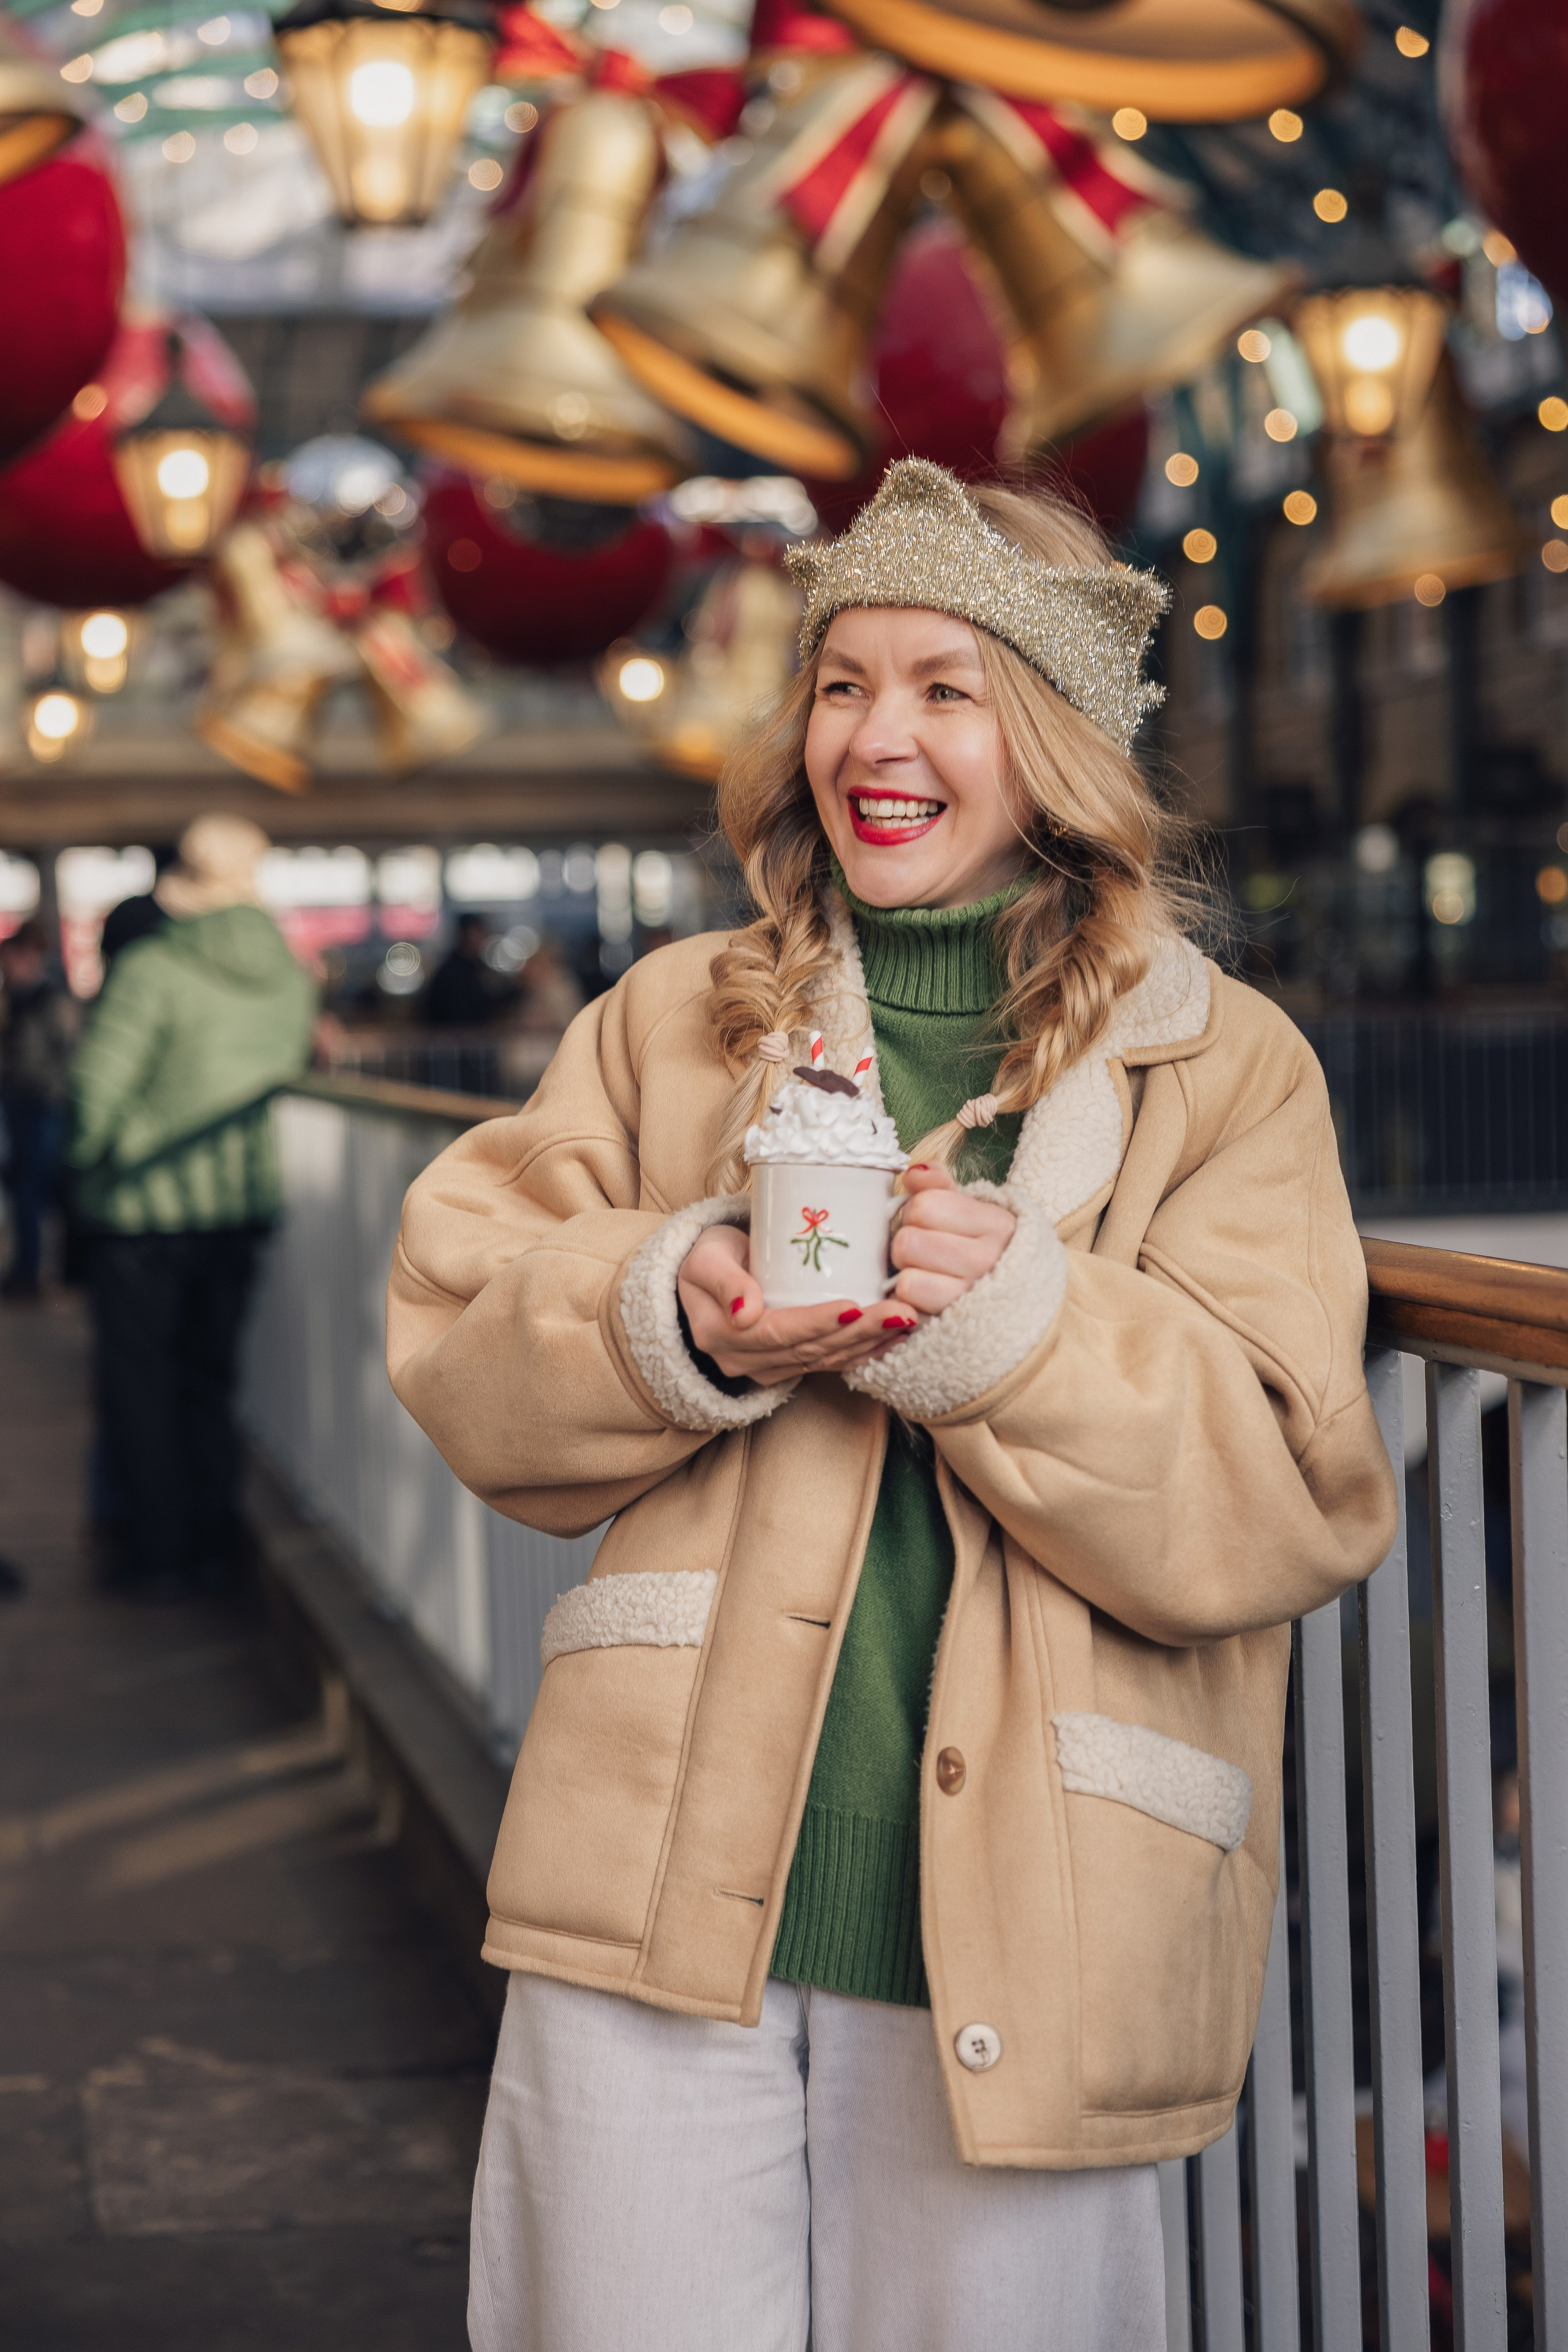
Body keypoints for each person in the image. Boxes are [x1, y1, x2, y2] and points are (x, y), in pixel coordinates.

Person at [386, 462, 1398, 2352]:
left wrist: (1009, 1323)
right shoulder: (673, 1016)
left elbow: (1284, 1491)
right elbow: (456, 1325)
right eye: (842, 684)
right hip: (657, 1882)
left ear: (1056, 740)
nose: (875, 738)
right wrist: (666, 1311)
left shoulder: (1225, 1068)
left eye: (946, 688)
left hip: (1044, 1911)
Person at [70, 813, 315, 1596]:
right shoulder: (290, 977)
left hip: (143, 1208)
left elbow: (93, 1094)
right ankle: (213, 1542)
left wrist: (82, 1168)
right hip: (238, 1203)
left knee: (138, 1384)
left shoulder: (152, 968)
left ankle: (159, 1553)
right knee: (210, 1379)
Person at [0, 918, 79, 1300]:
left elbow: (71, 1053)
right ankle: (31, 1271)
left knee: (36, 1191)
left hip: (44, 1106)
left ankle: (38, 1273)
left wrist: (52, 1090)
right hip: (20, 1103)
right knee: (25, 1190)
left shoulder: (51, 999)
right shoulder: (14, 1001)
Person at [426, 911, 509, 1027]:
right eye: (480, 931)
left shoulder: (477, 966)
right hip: (456, 1035)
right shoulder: (452, 972)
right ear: (467, 934)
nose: (484, 937)